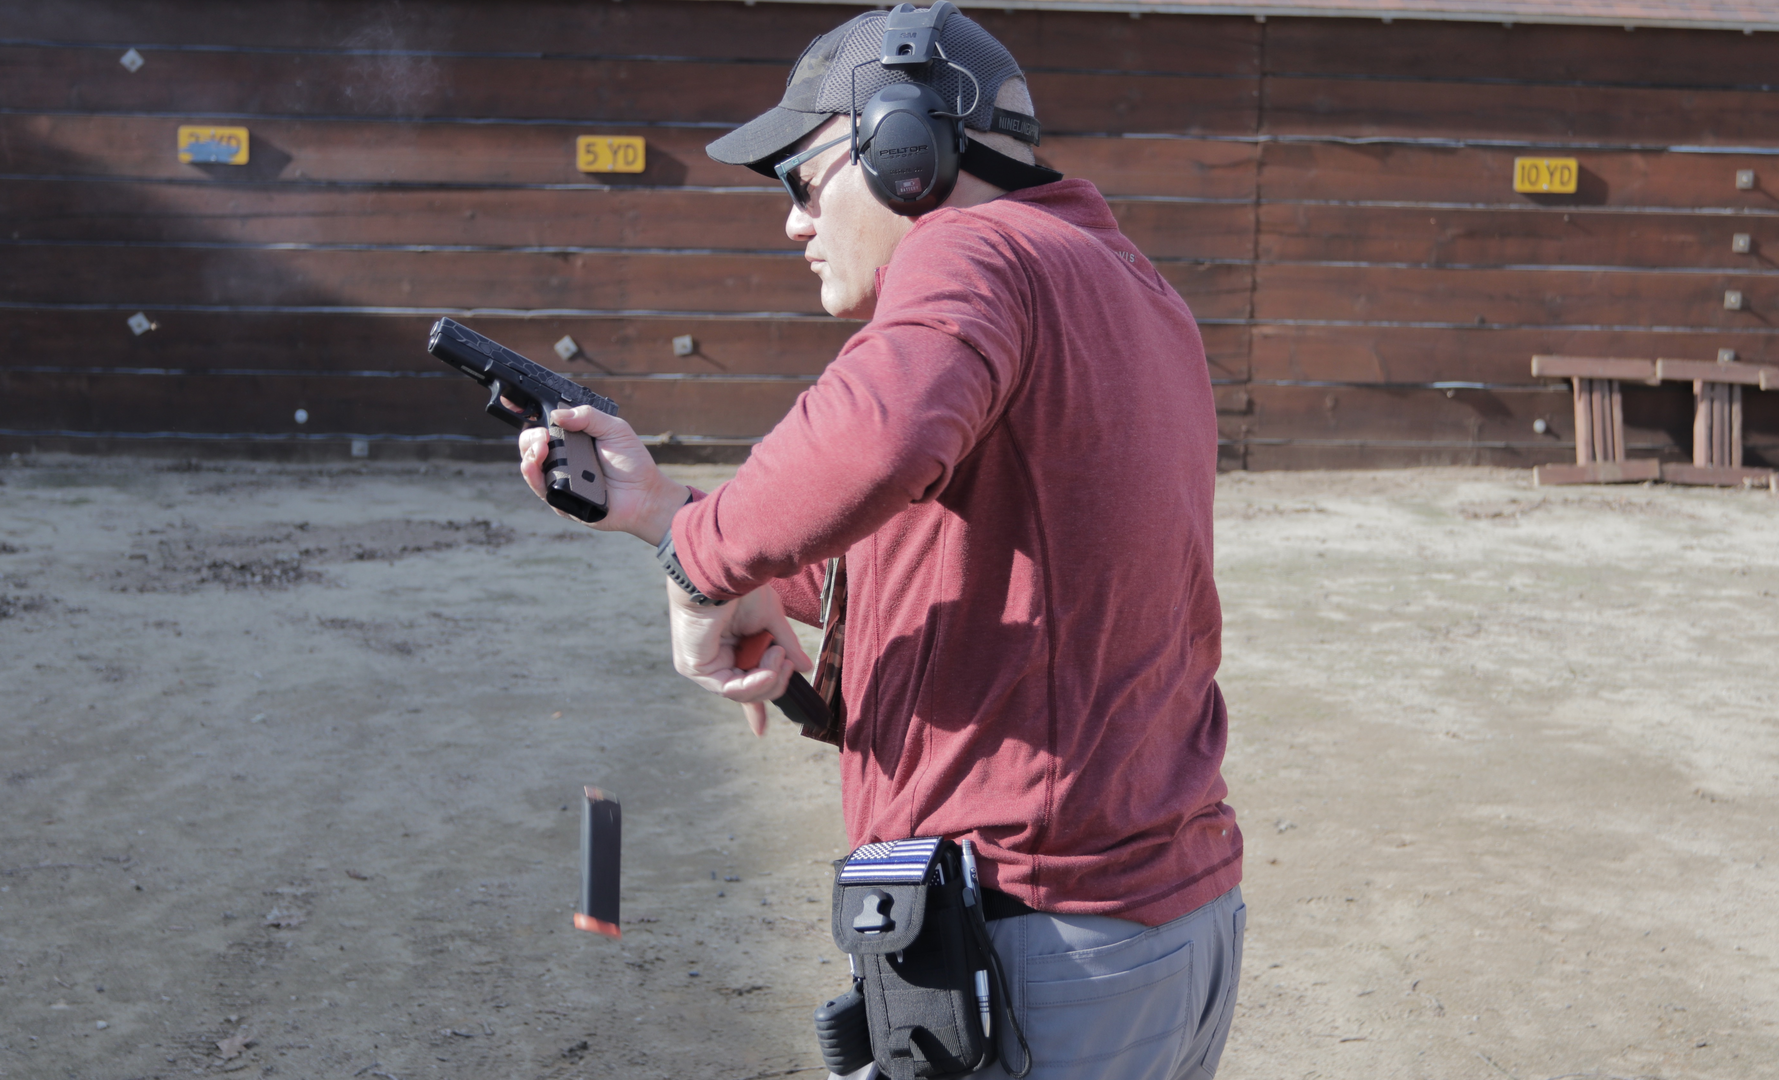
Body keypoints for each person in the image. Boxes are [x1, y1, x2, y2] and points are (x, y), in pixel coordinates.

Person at [519, 6, 1243, 1077]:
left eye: (801, 180)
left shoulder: (973, 251)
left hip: (1039, 942)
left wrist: (698, 561)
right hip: (1152, 928)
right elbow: (952, 538)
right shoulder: (1122, 283)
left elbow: (879, 436)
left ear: (903, 150)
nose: (794, 223)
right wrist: (661, 508)